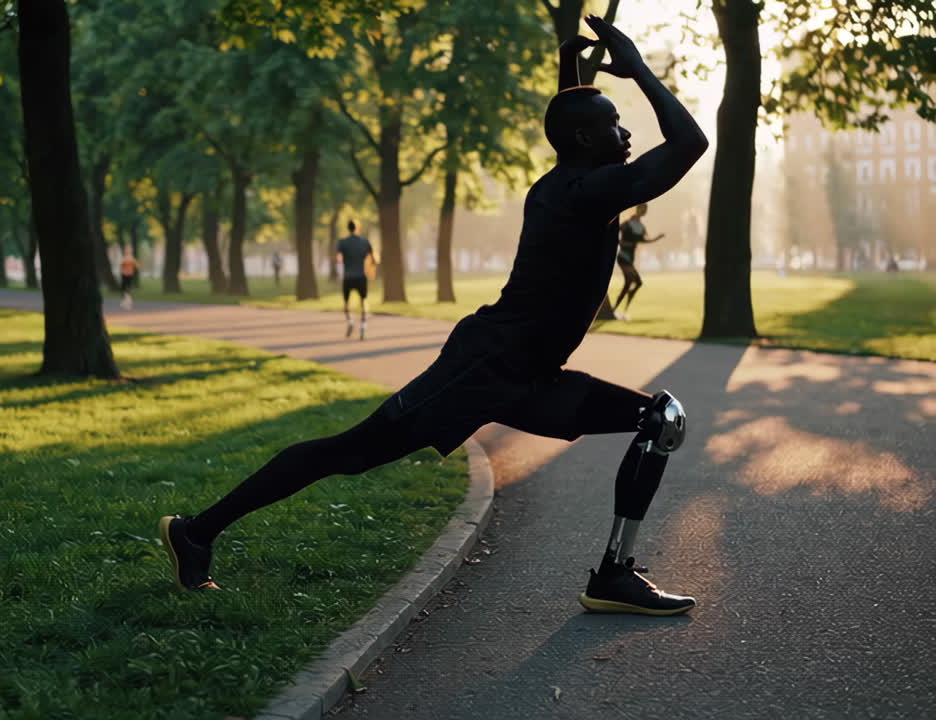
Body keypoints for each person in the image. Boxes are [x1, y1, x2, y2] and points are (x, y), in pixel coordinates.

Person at [159, 16, 708, 615]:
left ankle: (613, 576)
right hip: (480, 369)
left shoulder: (576, 180)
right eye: (613, 124)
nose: (626, 132)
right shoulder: (584, 194)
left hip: (528, 376)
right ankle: (196, 531)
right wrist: (636, 64)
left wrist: (571, 70)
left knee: (661, 419)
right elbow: (688, 143)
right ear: (584, 142)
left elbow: (571, 128)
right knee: (349, 453)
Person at [613, 203, 664, 318]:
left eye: (645, 209)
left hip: (630, 258)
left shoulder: (641, 227)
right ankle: (617, 308)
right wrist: (621, 242)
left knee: (634, 283)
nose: (644, 210)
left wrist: (657, 238)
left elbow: (644, 240)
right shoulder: (628, 223)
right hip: (623, 256)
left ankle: (620, 308)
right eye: (642, 208)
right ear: (638, 209)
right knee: (632, 281)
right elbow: (615, 231)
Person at [336, 220, 375, 340]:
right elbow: (373, 258)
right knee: (364, 302)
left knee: (346, 303)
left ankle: (350, 322)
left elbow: (338, 259)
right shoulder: (364, 241)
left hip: (348, 277)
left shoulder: (342, 242)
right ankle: (363, 326)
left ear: (348, 228)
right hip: (360, 276)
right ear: (357, 227)